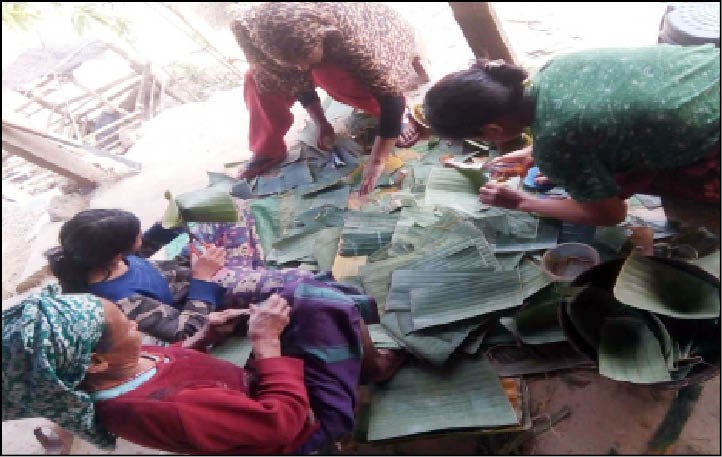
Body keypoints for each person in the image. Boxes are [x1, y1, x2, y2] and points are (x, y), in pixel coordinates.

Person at [3, 286, 403, 454]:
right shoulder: (166, 409)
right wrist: (265, 344)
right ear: (95, 361)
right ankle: (376, 367)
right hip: (303, 421)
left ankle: (360, 357)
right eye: (126, 325)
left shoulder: (109, 372)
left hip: (243, 398)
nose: (136, 324)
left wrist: (205, 337)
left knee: (300, 300)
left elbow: (166, 364)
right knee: (324, 307)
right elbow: (279, 423)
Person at [423, 45, 720, 233]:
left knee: (669, 183)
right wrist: (536, 150)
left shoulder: (558, 144)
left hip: (712, 131)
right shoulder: (554, 69)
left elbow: (611, 216)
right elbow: (601, 116)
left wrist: (522, 202)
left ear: (492, 131)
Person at [231, 2, 429, 194]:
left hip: (381, 36)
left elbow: (390, 98)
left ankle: (402, 115)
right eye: (293, 64)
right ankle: (268, 149)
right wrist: (321, 122)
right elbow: (291, 76)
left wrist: (377, 160)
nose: (302, 69)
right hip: (305, 48)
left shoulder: (352, 38)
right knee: (256, 79)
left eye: (307, 61)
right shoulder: (250, 29)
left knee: (332, 77)